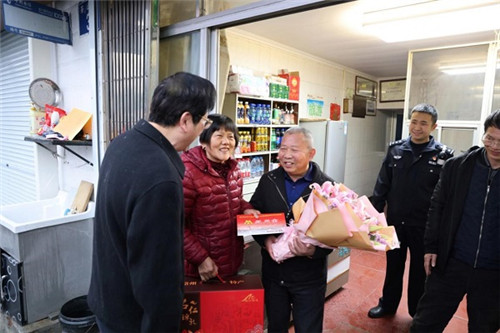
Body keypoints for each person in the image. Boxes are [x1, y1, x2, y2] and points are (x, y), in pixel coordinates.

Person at [87, 72, 216, 333]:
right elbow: (157, 277)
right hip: (134, 318)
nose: (204, 128)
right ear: (185, 120)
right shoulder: (161, 177)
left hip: (108, 299)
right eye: (204, 121)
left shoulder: (121, 143)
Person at [411, 110, 500, 332]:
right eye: (490, 138)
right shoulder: (458, 167)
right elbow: (437, 207)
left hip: (493, 271)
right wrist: (431, 246)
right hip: (452, 261)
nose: (495, 145)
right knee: (425, 324)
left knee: (484, 327)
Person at [368, 103, 454, 319]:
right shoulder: (395, 149)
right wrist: (372, 217)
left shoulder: (444, 155)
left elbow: (446, 196)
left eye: (423, 123)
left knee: (419, 271)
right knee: (393, 267)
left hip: (424, 226)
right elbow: (382, 185)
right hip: (395, 222)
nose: (417, 127)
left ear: (433, 126)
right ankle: (387, 305)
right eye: (414, 121)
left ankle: (416, 312)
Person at [250, 127, 333, 333]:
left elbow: (338, 234)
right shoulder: (268, 180)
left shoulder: (326, 187)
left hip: (309, 277)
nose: (286, 155)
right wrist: (266, 239)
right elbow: (255, 215)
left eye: (294, 150)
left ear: (311, 153)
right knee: (276, 326)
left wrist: (314, 251)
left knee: (308, 328)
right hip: (273, 274)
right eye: (283, 148)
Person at [182, 114, 260, 281]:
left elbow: (233, 201)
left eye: (231, 137)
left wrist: (246, 208)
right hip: (200, 268)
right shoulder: (188, 172)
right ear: (204, 141)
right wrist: (200, 258)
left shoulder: (234, 170)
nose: (226, 142)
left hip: (230, 260)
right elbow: (175, 225)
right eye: (219, 136)